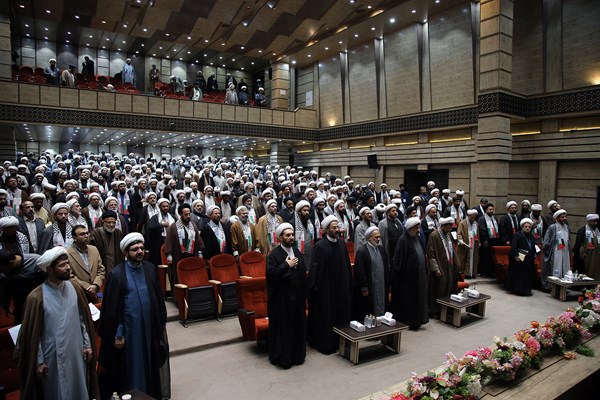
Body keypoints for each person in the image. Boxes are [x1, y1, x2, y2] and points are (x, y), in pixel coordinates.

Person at [17, 247, 99, 399]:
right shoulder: (36, 297)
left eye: (68, 263)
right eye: (62, 265)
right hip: (51, 358)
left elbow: (82, 319)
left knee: (79, 389)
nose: (68, 267)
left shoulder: (75, 288)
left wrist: (87, 344)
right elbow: (34, 335)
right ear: (49, 269)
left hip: (76, 351)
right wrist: (39, 361)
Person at [98, 233, 170, 400]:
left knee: (150, 363)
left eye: (141, 248)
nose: (139, 252)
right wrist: (119, 333)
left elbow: (158, 300)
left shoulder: (150, 268)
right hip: (129, 333)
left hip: (150, 329)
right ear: (126, 252)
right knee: (133, 367)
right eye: (134, 249)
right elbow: (112, 311)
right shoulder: (117, 274)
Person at [307, 215, 353, 354]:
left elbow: (346, 264)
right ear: (326, 230)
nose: (337, 230)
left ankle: (341, 343)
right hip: (326, 290)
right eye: (334, 228)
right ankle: (327, 345)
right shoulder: (320, 246)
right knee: (327, 318)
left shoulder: (341, 243)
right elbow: (314, 268)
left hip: (341, 288)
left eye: (337, 227)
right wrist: (314, 287)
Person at [266, 223, 308, 369]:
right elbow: (271, 276)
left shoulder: (296, 251)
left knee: (297, 327)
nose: (291, 238)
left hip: (297, 300)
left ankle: (298, 356)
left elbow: (303, 275)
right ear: (280, 238)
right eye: (287, 235)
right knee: (284, 329)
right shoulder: (274, 255)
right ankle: (284, 359)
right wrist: (286, 265)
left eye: (292, 235)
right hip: (282, 301)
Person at [390, 216, 428, 330]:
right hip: (408, 279)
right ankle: (411, 322)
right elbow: (398, 263)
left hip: (418, 276)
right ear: (410, 228)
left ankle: (419, 319)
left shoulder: (415, 238)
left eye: (419, 227)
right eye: (416, 228)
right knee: (410, 301)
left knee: (419, 299)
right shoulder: (403, 240)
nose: (418, 230)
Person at [354, 226, 389, 319]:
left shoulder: (381, 250)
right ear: (369, 238)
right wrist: (364, 287)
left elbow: (386, 267)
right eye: (376, 237)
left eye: (379, 237)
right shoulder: (362, 252)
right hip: (370, 286)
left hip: (381, 285)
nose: (378, 239)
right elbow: (360, 271)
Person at [165, 203, 204, 285]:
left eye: (189, 214)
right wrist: (169, 255)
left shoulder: (193, 225)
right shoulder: (173, 227)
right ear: (180, 215)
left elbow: (198, 240)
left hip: (191, 256)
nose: (188, 216)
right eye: (186, 214)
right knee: (178, 278)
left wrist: (200, 252)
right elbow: (169, 241)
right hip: (178, 256)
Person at [427, 217, 458, 317]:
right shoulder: (434, 235)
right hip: (440, 267)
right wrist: (436, 268)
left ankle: (446, 308)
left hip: (449, 265)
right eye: (448, 227)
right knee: (438, 289)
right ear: (443, 226)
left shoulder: (448, 234)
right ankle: (435, 310)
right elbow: (431, 254)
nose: (450, 230)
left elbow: (452, 249)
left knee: (448, 287)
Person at [67, 224, 105, 303]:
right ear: (74, 238)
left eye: (87, 233)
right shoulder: (67, 253)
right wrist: (87, 287)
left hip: (96, 291)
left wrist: (95, 285)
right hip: (80, 293)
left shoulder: (93, 249)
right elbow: (70, 276)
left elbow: (101, 270)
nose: (86, 236)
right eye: (82, 234)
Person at [505, 218, 536, 296]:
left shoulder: (531, 236)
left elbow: (533, 247)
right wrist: (516, 256)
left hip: (529, 258)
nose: (527, 228)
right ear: (522, 227)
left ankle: (527, 290)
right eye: (526, 226)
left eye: (529, 227)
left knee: (527, 275)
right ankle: (519, 290)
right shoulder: (517, 235)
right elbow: (514, 247)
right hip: (519, 257)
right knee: (520, 275)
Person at [542, 209, 570, 290]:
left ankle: (562, 286)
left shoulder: (566, 227)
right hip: (555, 252)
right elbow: (546, 241)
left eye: (565, 216)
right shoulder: (552, 227)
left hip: (565, 252)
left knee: (564, 268)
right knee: (555, 269)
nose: (564, 218)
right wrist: (547, 251)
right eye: (562, 217)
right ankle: (552, 287)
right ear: (557, 218)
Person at [477, 203, 500, 277]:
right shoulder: (482, 219)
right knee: (485, 257)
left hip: (494, 239)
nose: (491, 211)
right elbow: (482, 230)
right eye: (490, 209)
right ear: (486, 210)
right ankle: (484, 272)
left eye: (492, 209)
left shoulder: (494, 218)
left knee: (491, 257)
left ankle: (490, 271)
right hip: (486, 241)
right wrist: (485, 240)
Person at [456, 209, 480, 278]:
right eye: (471, 217)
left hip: (474, 243)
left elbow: (477, 234)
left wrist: (479, 242)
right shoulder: (462, 223)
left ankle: (472, 273)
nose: (473, 219)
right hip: (465, 243)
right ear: (468, 216)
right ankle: (465, 274)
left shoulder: (476, 223)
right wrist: (461, 241)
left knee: (474, 258)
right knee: (464, 258)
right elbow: (459, 234)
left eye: (474, 217)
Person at [577, 214, 600, 280]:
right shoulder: (583, 230)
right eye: (594, 221)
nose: (596, 223)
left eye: (596, 221)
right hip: (587, 256)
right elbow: (579, 244)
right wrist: (581, 253)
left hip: (596, 256)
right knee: (587, 271)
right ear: (589, 221)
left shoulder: (597, 231)